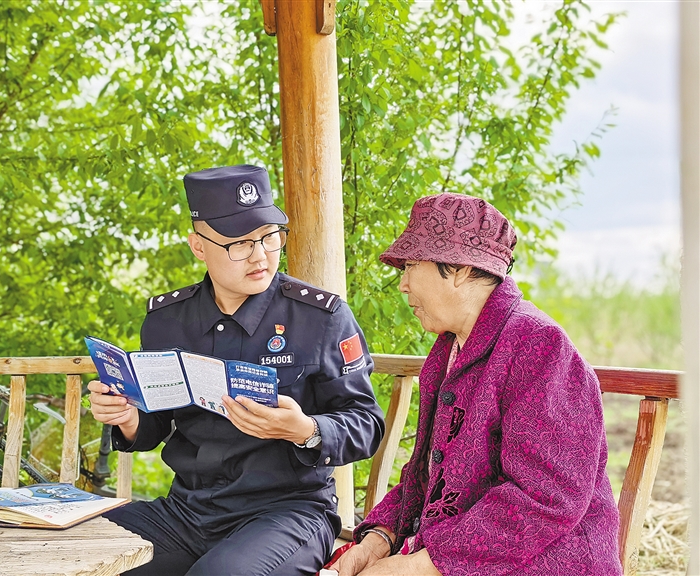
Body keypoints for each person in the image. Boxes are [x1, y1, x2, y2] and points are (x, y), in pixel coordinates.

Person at [88, 164, 385, 576]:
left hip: (288, 512)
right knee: (75, 549)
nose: (260, 255)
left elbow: (367, 423)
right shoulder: (167, 321)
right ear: (199, 246)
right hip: (187, 512)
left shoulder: (320, 318)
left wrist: (305, 430)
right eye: (240, 243)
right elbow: (156, 423)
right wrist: (127, 417)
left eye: (269, 236)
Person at [332, 193, 621, 575]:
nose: (403, 284)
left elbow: (546, 498)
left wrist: (419, 566)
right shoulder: (450, 346)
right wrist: (378, 539)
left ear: (458, 269)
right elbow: (429, 474)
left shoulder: (540, 346)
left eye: (411, 266)